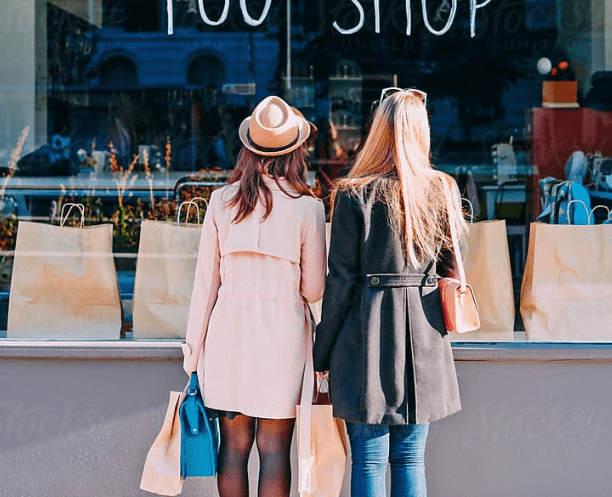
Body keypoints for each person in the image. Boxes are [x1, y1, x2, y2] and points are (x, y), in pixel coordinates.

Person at [313, 87, 467, 497]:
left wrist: (321, 351)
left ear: (378, 130)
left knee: (367, 458)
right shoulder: (442, 190)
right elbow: (452, 271)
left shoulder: (352, 193)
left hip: (365, 338)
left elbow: (340, 281)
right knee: (411, 458)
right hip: (424, 337)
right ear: (422, 132)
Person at [184, 95, 327, 497]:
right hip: (281, 342)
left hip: (227, 338)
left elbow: (205, 284)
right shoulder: (307, 209)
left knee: (233, 448)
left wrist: (193, 354)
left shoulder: (220, 202)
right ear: (295, 152)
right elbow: (315, 289)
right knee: (275, 449)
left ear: (248, 150)